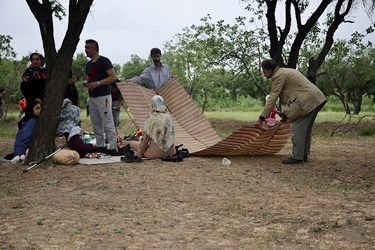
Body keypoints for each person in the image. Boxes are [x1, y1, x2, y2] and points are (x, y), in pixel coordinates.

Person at [255, 59, 327, 165]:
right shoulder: (285, 71)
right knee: (305, 130)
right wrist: (284, 114)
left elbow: (273, 97)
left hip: (307, 101)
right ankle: (303, 154)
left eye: (264, 72)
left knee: (297, 128)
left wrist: (261, 118)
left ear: (270, 70)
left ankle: (298, 157)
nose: (264, 75)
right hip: (316, 99)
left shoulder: (278, 76)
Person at [84, 39, 120, 156]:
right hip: (92, 97)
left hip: (103, 96)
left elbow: (113, 77)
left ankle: (113, 147)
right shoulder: (88, 64)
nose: (85, 50)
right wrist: (87, 83)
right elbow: (88, 78)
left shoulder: (104, 61)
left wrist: (98, 83)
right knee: (96, 124)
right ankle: (100, 148)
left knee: (108, 122)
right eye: (85, 47)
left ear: (94, 48)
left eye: (88, 47)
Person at [128, 95, 176, 160]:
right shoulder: (168, 116)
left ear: (153, 104)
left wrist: (139, 154)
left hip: (155, 154)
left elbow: (145, 140)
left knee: (131, 143)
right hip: (171, 152)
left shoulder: (151, 117)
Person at [11, 99, 42, 164]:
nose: (40, 110)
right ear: (31, 109)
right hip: (22, 151)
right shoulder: (31, 121)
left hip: (18, 151)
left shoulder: (25, 120)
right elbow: (26, 137)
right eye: (37, 108)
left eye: (40, 108)